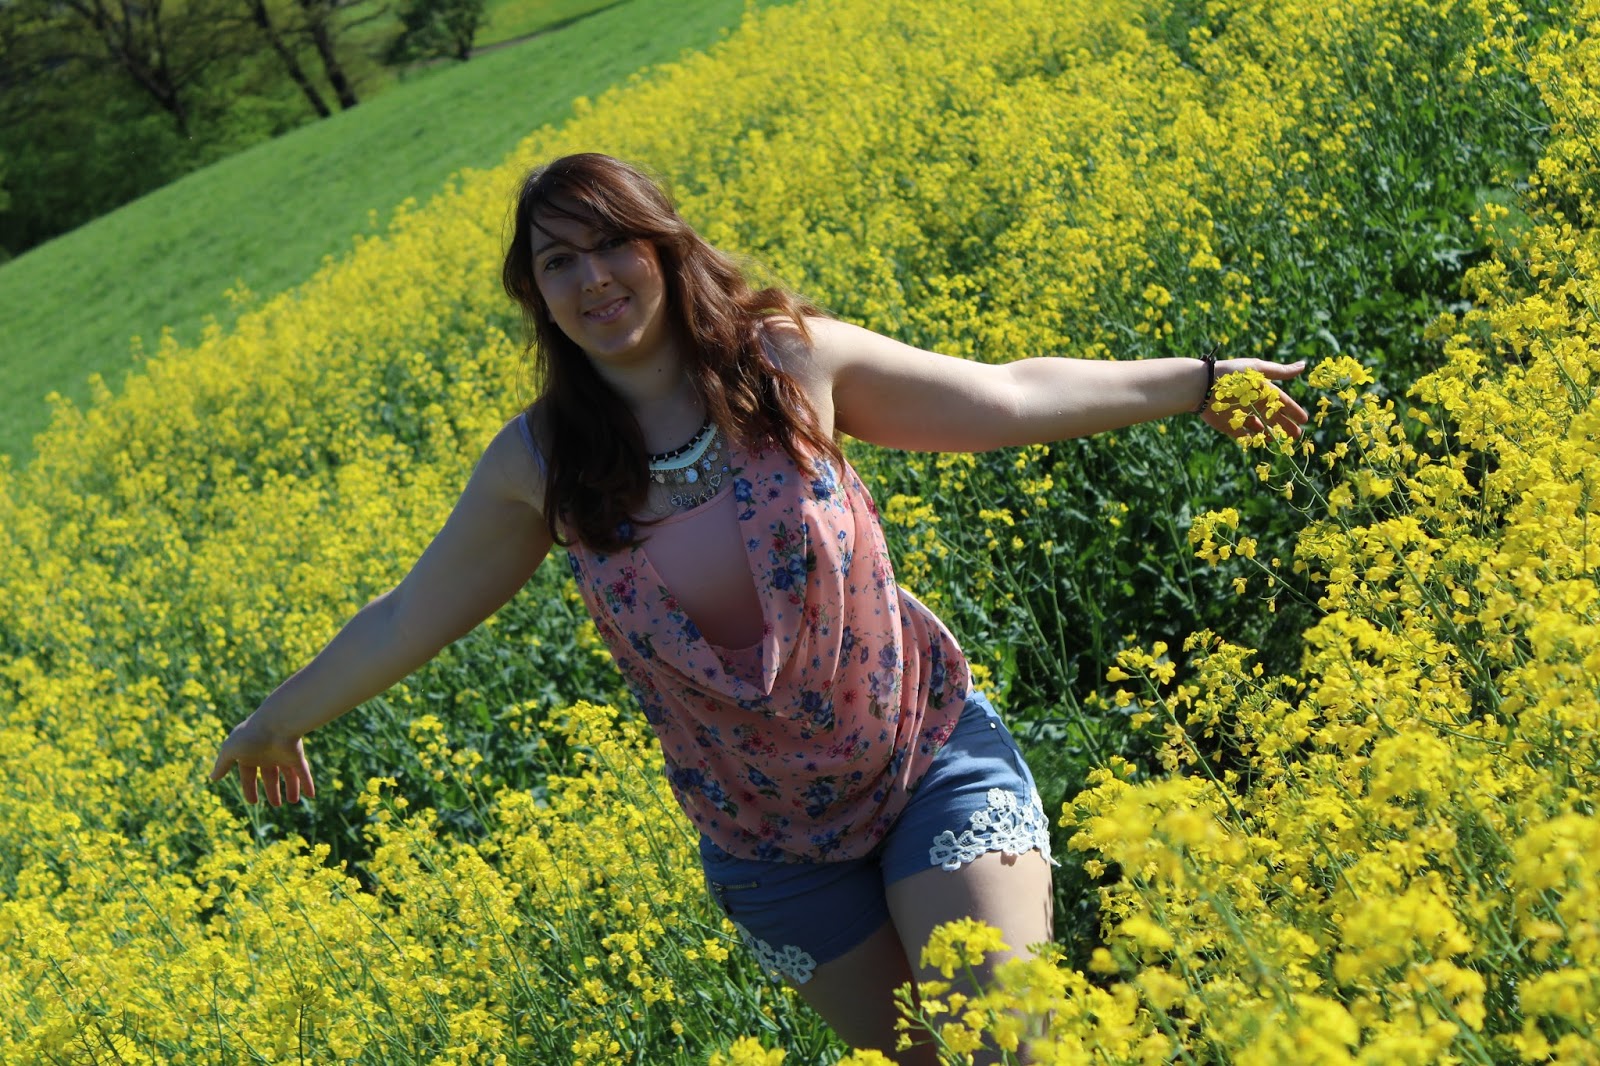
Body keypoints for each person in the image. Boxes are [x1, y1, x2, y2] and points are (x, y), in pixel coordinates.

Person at [209, 152, 1309, 1062]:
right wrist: (275, 719)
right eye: (557, 262)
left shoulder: (786, 362)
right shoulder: (539, 465)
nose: (592, 278)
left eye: (611, 243)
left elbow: (1007, 395)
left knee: (1005, 1049)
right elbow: (409, 614)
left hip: (925, 759)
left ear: (663, 247)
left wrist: (1200, 381)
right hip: (772, 851)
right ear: (535, 295)